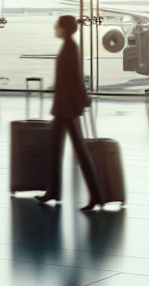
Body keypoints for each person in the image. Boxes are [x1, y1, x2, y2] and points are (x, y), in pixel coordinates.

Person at [37, 14, 103, 211]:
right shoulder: (68, 47)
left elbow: (76, 78)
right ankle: (54, 191)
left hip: (67, 109)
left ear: (64, 29)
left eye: (57, 26)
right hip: (64, 107)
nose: (54, 28)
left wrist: (82, 101)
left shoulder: (70, 48)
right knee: (56, 151)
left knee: (79, 153)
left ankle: (95, 195)